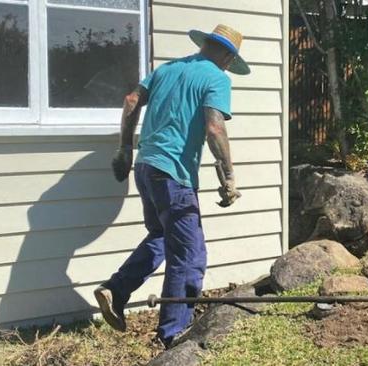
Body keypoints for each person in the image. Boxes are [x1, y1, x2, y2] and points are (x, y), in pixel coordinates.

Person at [93, 24, 251, 347]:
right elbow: (214, 128)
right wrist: (230, 176)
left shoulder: (167, 69)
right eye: (229, 61)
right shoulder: (217, 78)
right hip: (173, 177)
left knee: (162, 235)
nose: (227, 67)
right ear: (226, 55)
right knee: (190, 256)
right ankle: (173, 335)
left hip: (146, 168)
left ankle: (116, 289)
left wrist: (126, 147)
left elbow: (131, 100)